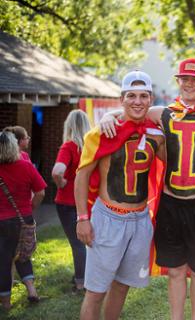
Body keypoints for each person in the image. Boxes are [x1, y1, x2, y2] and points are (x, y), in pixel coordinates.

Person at [100, 58, 195, 320]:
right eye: (184, 79)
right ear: (178, 81)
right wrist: (108, 116)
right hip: (172, 205)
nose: (189, 84)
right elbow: (132, 111)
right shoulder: (163, 112)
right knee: (176, 271)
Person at [75, 70, 164, 320]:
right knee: (95, 292)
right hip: (108, 219)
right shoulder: (101, 132)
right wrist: (82, 218)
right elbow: (82, 175)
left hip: (139, 220)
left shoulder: (156, 134)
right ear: (122, 98)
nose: (138, 101)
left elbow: (176, 115)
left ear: (150, 99)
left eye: (143, 96)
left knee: (122, 286)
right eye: (131, 96)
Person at [0, 131, 46, 310]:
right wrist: (30, 207)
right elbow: (41, 192)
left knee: (4, 261)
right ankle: (32, 291)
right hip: (23, 218)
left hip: (2, 221)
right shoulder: (26, 166)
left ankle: (5, 303)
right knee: (23, 254)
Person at [51, 110, 90, 292]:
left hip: (68, 202)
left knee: (77, 243)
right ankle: (86, 277)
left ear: (69, 125)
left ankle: (81, 282)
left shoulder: (68, 146)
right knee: (88, 241)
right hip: (89, 200)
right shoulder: (92, 146)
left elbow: (57, 171)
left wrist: (62, 183)